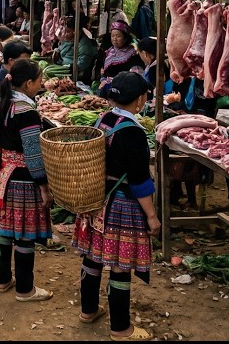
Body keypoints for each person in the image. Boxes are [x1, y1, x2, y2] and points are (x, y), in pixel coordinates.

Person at [73, 72, 159, 341]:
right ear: (140, 100)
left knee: (93, 255)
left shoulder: (105, 119)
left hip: (98, 199)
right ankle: (121, 328)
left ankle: (88, 310)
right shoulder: (132, 131)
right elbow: (139, 180)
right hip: (122, 203)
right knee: (120, 264)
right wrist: (152, 216)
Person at [0, 58, 54, 301]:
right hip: (22, 179)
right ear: (28, 83)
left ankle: (3, 280)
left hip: (1, 173)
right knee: (24, 233)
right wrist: (43, 185)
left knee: (4, 230)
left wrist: (3, 163)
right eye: (39, 81)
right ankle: (25, 289)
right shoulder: (27, 112)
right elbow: (33, 153)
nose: (41, 85)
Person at [55, 17, 98, 85]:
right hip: (63, 71)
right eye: (65, 31)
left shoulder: (84, 44)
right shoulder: (68, 40)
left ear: (76, 31)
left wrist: (69, 68)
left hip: (76, 76)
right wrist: (57, 54)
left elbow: (83, 63)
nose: (65, 34)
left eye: (68, 32)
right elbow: (62, 51)